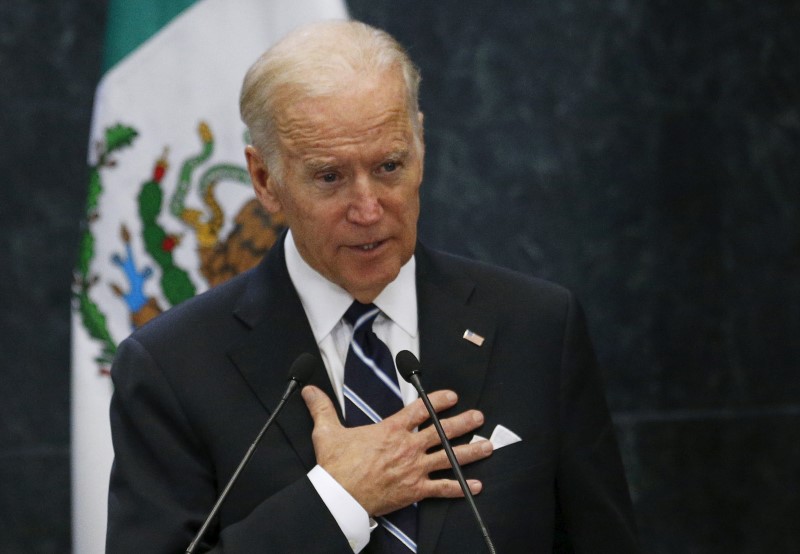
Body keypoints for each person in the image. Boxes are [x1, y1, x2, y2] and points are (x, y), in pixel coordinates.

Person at [106, 20, 639, 553]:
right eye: (330, 177)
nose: (368, 209)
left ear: (421, 147)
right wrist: (338, 500)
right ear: (265, 180)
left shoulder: (538, 327)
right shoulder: (173, 368)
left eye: (389, 166)